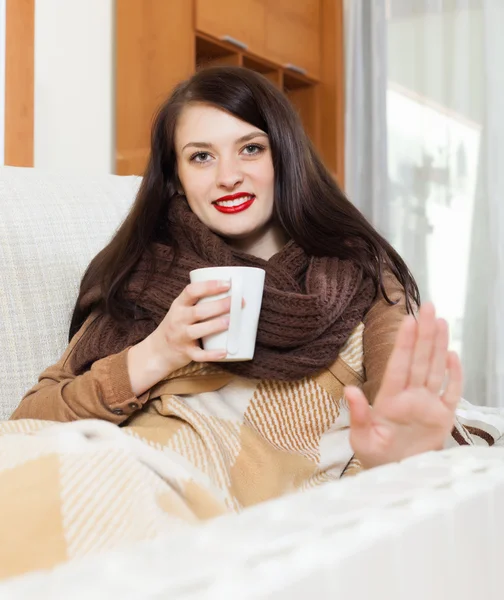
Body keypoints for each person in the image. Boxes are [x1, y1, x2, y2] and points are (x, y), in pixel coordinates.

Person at [3, 66, 477, 577]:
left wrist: (399, 460)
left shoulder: (360, 277)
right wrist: (157, 352)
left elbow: (396, 417)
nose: (227, 175)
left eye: (250, 148)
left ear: (284, 157)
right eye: (201, 156)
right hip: (99, 463)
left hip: (188, 511)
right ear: (177, 178)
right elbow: (31, 419)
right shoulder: (139, 272)